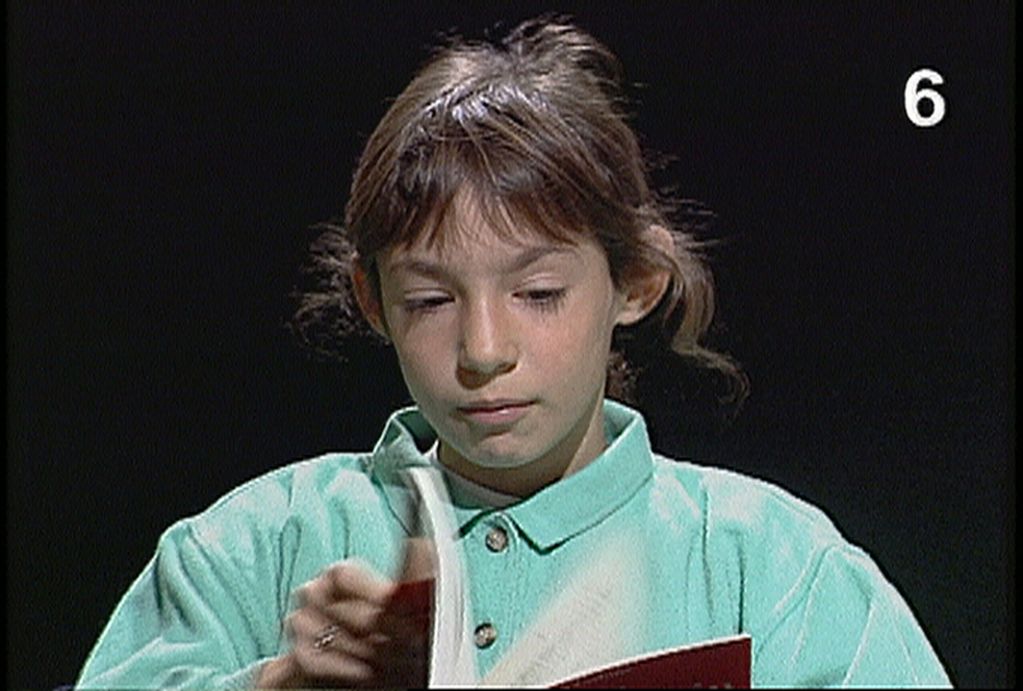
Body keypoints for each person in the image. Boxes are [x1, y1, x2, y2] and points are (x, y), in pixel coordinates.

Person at [76, 15, 952, 688]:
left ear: (635, 282)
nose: (484, 349)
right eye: (428, 299)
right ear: (369, 301)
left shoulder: (774, 567)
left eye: (537, 293)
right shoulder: (248, 549)